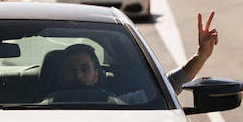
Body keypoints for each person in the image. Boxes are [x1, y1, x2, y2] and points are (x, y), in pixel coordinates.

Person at [52, 12, 219, 97]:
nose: (78, 75)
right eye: (70, 69)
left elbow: (170, 85)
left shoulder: (126, 105)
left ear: (96, 74)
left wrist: (201, 55)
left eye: (84, 68)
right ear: (59, 76)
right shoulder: (36, 107)